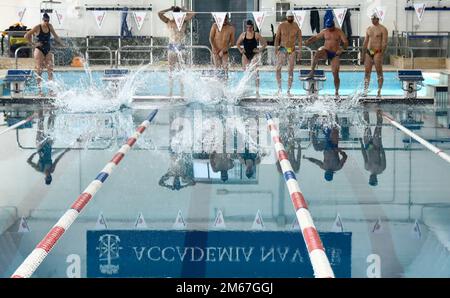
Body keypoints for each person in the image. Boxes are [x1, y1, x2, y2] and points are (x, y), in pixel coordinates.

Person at [305, 18, 348, 98]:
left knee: (335, 74)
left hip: (334, 54)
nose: (329, 29)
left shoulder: (339, 32)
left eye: (330, 27)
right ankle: (312, 71)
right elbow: (315, 37)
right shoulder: (325, 31)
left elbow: (345, 42)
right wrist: (308, 41)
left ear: (333, 25)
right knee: (317, 53)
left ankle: (336, 91)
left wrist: (342, 49)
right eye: (328, 27)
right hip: (326, 51)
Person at [158, 6, 196, 97]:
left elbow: (193, 13)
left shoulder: (184, 21)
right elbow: (159, 13)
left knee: (181, 70)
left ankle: (182, 93)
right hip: (171, 47)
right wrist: (168, 9)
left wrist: (183, 10)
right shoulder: (169, 22)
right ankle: (170, 93)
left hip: (181, 47)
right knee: (171, 71)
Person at [24, 13, 64, 96]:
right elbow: (26, 35)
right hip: (39, 50)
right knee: (39, 70)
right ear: (42, 20)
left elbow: (56, 36)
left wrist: (62, 43)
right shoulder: (37, 27)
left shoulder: (50, 26)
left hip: (47, 49)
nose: (46, 22)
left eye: (48, 20)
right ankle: (40, 91)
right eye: (45, 20)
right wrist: (33, 44)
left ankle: (51, 91)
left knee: (50, 70)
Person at [27, 110, 70, 185]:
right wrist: (65, 152)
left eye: (47, 177)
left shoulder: (39, 169)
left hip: (40, 146)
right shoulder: (51, 169)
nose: (48, 175)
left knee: (40, 127)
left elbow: (29, 161)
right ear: (51, 176)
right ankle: (52, 111)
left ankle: (40, 108)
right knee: (51, 128)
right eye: (50, 177)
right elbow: (57, 159)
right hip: (49, 146)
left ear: (45, 178)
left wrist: (33, 154)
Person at [303, 115, 347, 181]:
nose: (329, 171)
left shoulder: (324, 167)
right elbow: (345, 157)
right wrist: (339, 151)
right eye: (329, 173)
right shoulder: (338, 167)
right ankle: (335, 115)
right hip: (333, 146)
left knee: (316, 147)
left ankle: (312, 127)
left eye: (327, 173)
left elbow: (315, 161)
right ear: (331, 174)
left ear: (326, 173)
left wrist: (307, 158)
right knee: (334, 129)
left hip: (326, 147)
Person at [236, 19, 267, 97]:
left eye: (250, 27)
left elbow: (264, 44)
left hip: (254, 54)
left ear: (252, 27)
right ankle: (245, 90)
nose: (249, 29)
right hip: (245, 55)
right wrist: (241, 50)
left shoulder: (256, 34)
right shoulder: (243, 34)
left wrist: (259, 50)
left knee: (256, 73)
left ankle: (257, 92)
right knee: (246, 73)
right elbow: (237, 43)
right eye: (247, 27)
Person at [274, 10, 302, 97]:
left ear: (293, 17)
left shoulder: (296, 26)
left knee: (290, 70)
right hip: (282, 48)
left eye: (292, 17)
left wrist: (300, 51)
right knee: (278, 69)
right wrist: (276, 48)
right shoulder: (281, 25)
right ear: (286, 17)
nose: (290, 18)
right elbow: (277, 37)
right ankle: (279, 89)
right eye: (289, 17)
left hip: (292, 50)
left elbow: (300, 40)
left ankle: (288, 91)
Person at [362, 14, 388, 98]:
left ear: (378, 19)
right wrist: (363, 54)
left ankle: (379, 91)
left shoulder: (383, 29)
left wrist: (382, 54)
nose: (372, 20)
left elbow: (384, 43)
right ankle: (365, 91)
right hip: (369, 52)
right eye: (371, 19)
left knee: (379, 72)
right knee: (366, 72)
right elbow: (365, 42)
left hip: (378, 51)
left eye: (374, 19)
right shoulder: (369, 28)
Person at [360, 110, 386, 186]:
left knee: (366, 126)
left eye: (370, 179)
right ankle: (379, 111)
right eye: (372, 180)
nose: (371, 178)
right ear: (375, 179)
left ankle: (365, 110)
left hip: (368, 145)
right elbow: (383, 155)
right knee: (378, 127)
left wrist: (361, 143)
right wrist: (380, 145)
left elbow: (364, 154)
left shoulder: (367, 167)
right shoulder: (381, 169)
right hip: (376, 146)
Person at [209, 14, 235, 78]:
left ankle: (225, 85)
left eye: (226, 19)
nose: (225, 21)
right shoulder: (215, 26)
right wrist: (215, 48)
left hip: (224, 52)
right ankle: (218, 86)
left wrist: (223, 50)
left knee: (225, 70)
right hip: (215, 51)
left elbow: (232, 43)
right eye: (223, 19)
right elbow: (211, 38)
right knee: (218, 69)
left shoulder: (231, 28)